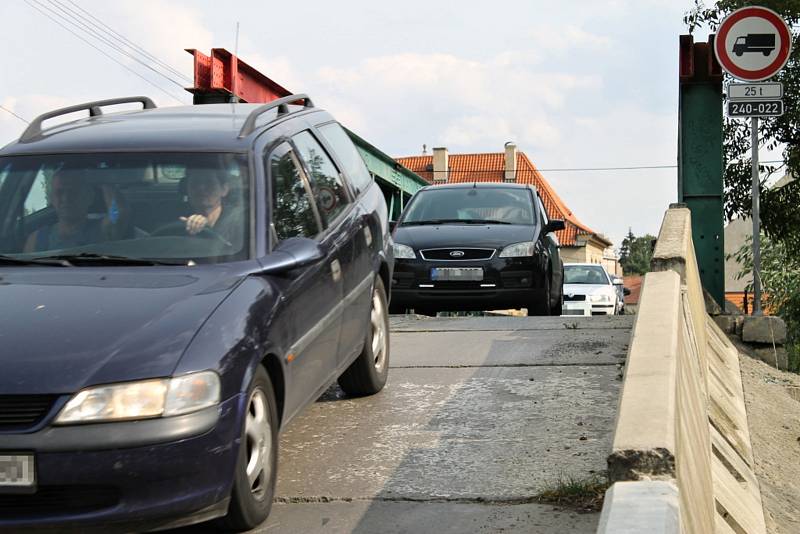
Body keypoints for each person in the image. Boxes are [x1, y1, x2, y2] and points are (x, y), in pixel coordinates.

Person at [24, 169, 129, 253]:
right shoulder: (37, 239)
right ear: (52, 198)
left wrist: (103, 180)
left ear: (89, 197)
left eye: (73, 192)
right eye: (59, 192)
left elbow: (118, 212)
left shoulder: (102, 231)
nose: (66, 199)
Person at [180, 169, 243, 247]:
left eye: (209, 182)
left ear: (224, 189)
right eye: (195, 183)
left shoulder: (239, 221)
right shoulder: (176, 219)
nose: (201, 188)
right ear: (187, 189)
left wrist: (206, 227)